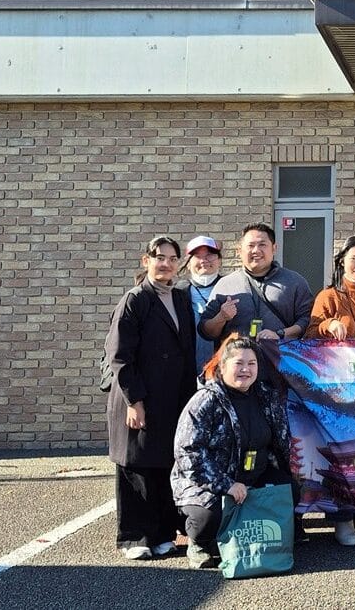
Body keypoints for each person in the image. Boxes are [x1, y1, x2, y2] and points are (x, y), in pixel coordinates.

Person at [105, 236, 197, 560]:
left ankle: (161, 534)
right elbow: (120, 356)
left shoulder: (181, 298)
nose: (166, 264)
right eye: (160, 257)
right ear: (146, 261)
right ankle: (134, 537)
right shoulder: (135, 299)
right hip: (139, 397)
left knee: (163, 464)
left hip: (171, 398)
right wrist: (135, 401)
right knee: (136, 466)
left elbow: (185, 350)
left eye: (172, 259)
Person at [171, 336, 297, 570]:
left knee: (290, 491)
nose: (245, 369)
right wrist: (226, 484)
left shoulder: (266, 396)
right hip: (208, 483)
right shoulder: (205, 400)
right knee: (208, 518)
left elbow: (281, 440)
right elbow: (188, 453)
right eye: (239, 363)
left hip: (255, 474)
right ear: (223, 366)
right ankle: (199, 543)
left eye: (251, 363)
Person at [303, 234, 355, 547]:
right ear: (341, 262)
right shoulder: (328, 296)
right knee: (341, 454)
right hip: (336, 390)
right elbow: (309, 335)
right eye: (353, 259)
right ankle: (342, 518)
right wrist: (328, 325)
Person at [198, 223, 314, 360]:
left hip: (282, 365)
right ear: (239, 251)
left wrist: (280, 334)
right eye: (250, 245)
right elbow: (205, 331)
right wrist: (221, 317)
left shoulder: (295, 282)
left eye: (262, 245)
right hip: (238, 366)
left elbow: (308, 321)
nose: (256, 250)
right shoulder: (225, 285)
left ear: (274, 248)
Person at [176, 235, 224, 377]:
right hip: (186, 371)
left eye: (209, 255)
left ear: (219, 260)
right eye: (197, 256)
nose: (204, 260)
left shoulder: (231, 287)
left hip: (223, 371)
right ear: (188, 263)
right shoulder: (177, 292)